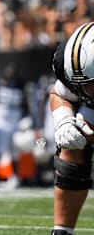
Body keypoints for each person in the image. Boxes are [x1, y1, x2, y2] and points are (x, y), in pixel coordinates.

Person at [48, 21, 94, 235]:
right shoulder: (68, 63)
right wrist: (63, 120)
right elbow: (59, 94)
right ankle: (62, 231)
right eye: (81, 83)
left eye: (91, 83)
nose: (85, 90)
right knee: (73, 145)